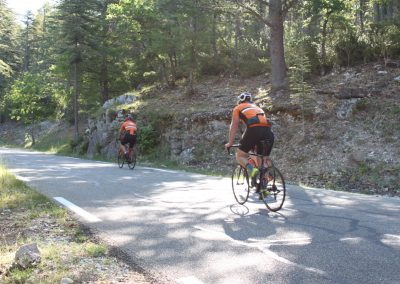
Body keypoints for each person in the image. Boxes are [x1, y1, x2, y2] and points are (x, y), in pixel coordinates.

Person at [224, 92, 274, 180]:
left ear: (240, 101)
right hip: (268, 131)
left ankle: (252, 170)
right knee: (262, 158)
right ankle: (267, 179)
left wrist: (230, 143)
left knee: (240, 156)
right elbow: (256, 126)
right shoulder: (258, 108)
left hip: (254, 131)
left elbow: (234, 125)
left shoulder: (238, 108)